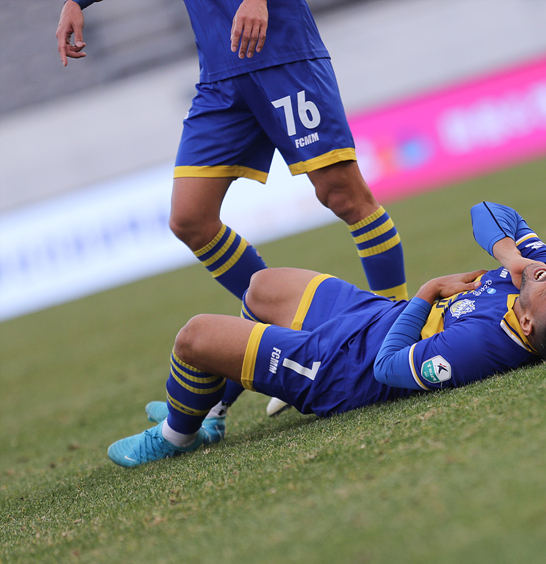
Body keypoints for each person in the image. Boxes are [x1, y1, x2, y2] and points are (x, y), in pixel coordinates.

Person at [57, 0, 407, 413]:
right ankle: (287, 338)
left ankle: (394, 336)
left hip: (282, 56)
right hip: (220, 75)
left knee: (344, 196)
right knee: (190, 220)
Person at [108, 202, 546, 467]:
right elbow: (489, 209)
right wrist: (511, 257)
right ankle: (212, 412)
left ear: (528, 324)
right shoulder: (544, 274)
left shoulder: (480, 347)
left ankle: (177, 436)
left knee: (194, 337)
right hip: (376, 316)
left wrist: (426, 293)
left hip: (344, 370)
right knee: (262, 287)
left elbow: (387, 368)